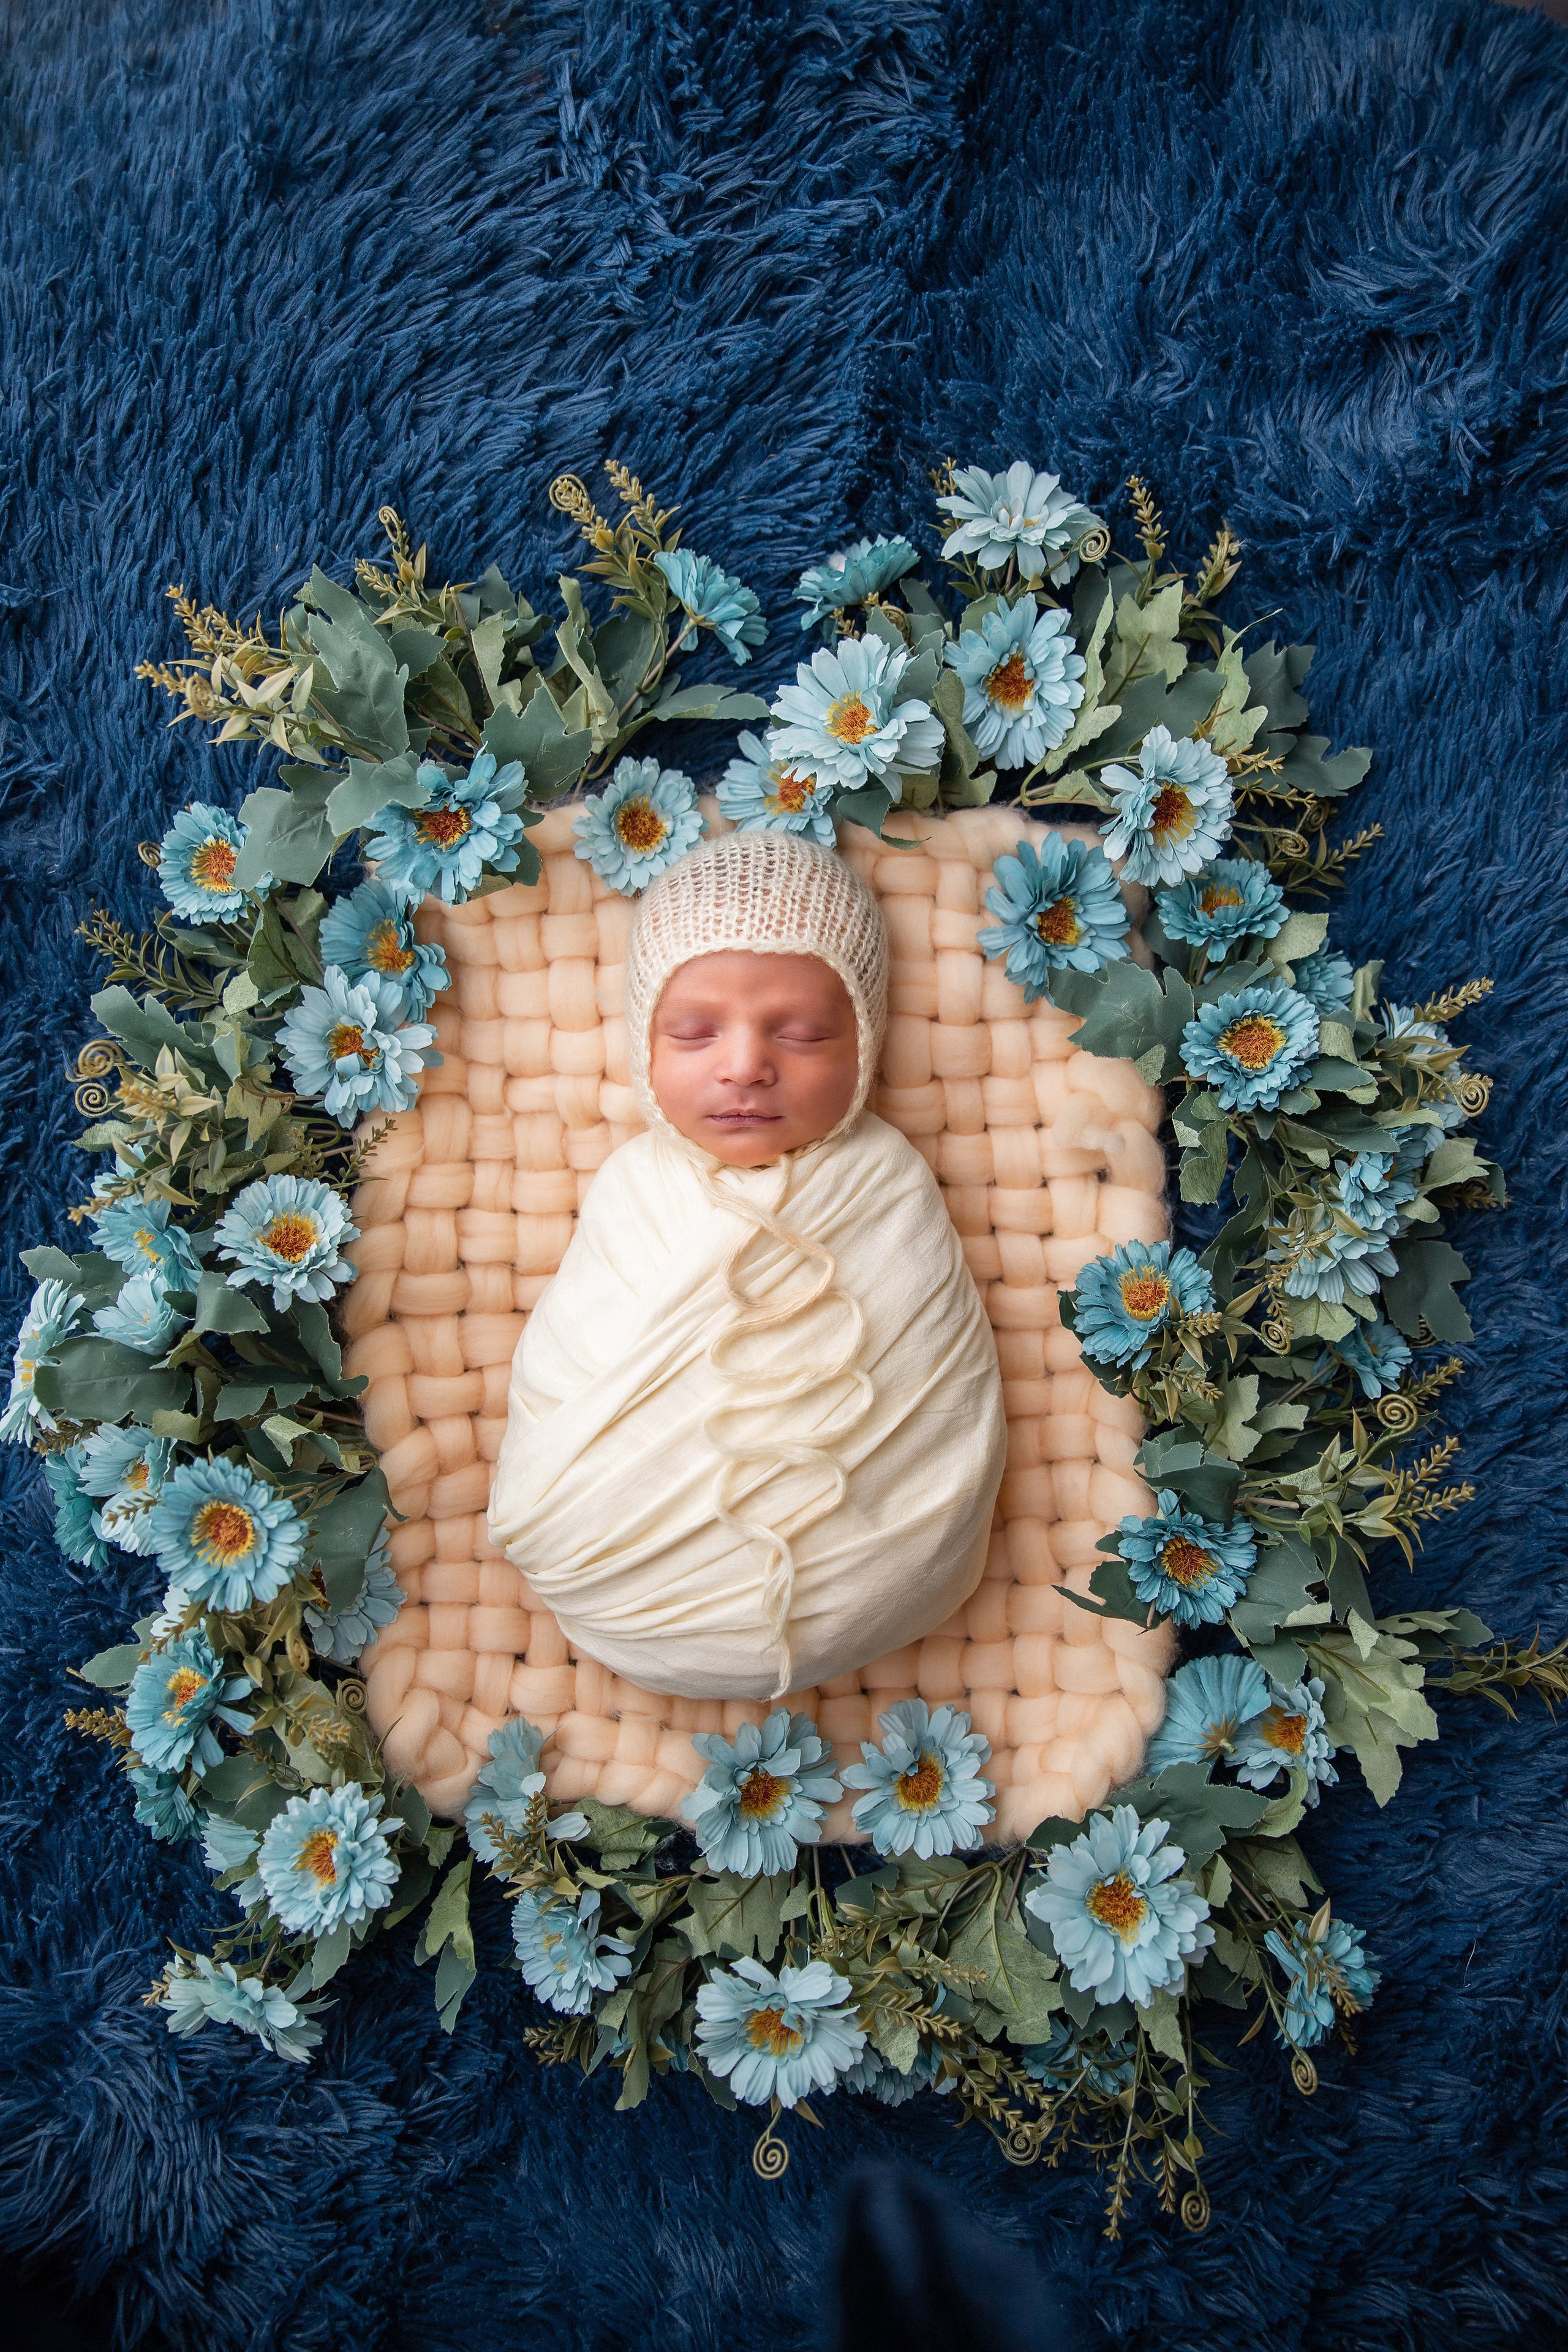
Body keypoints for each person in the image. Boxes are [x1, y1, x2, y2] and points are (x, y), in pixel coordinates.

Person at [487, 829, 1007, 1702]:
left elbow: (935, 1381)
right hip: (622, 1579)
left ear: (866, 1046)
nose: (745, 1067)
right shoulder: (635, 1188)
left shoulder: (882, 1184)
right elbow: (575, 1362)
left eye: (801, 1035)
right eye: (693, 1033)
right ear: (643, 1045)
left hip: (872, 1579)